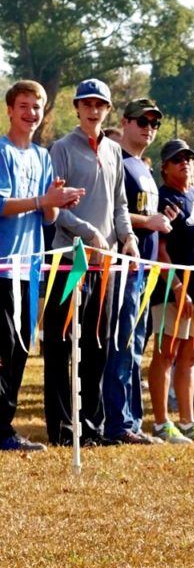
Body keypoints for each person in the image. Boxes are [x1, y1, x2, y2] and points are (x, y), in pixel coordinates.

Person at [45, 78, 140, 446]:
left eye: (100, 104)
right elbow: (54, 206)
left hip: (106, 267)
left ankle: (92, 425)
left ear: (107, 109)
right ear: (77, 107)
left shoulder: (114, 151)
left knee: (97, 345)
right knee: (62, 343)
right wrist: (90, 234)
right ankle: (63, 428)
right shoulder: (61, 149)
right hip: (70, 263)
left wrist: (128, 237)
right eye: (87, 103)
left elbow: (120, 205)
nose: (93, 109)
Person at [0, 80, 81, 451]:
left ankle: (4, 427)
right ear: (10, 110)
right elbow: (1, 205)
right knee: (6, 348)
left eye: (36, 107)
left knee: (20, 350)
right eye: (24, 106)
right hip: (3, 266)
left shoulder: (42, 155)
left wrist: (57, 202)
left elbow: (46, 219)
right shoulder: (1, 151)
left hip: (30, 269)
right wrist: (41, 199)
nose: (31, 113)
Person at [102, 98, 175, 445]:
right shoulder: (115, 159)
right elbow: (111, 210)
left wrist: (160, 224)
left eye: (154, 123)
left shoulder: (143, 167)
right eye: (141, 121)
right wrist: (149, 221)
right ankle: (117, 424)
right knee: (122, 346)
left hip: (143, 270)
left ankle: (131, 420)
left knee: (135, 347)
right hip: (121, 268)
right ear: (125, 122)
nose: (148, 128)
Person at [146, 139, 194, 444]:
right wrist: (177, 285)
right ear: (164, 167)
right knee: (167, 353)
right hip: (173, 290)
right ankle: (162, 423)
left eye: (189, 158)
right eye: (177, 159)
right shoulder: (165, 199)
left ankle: (188, 422)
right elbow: (160, 249)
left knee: (191, 354)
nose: (185, 163)